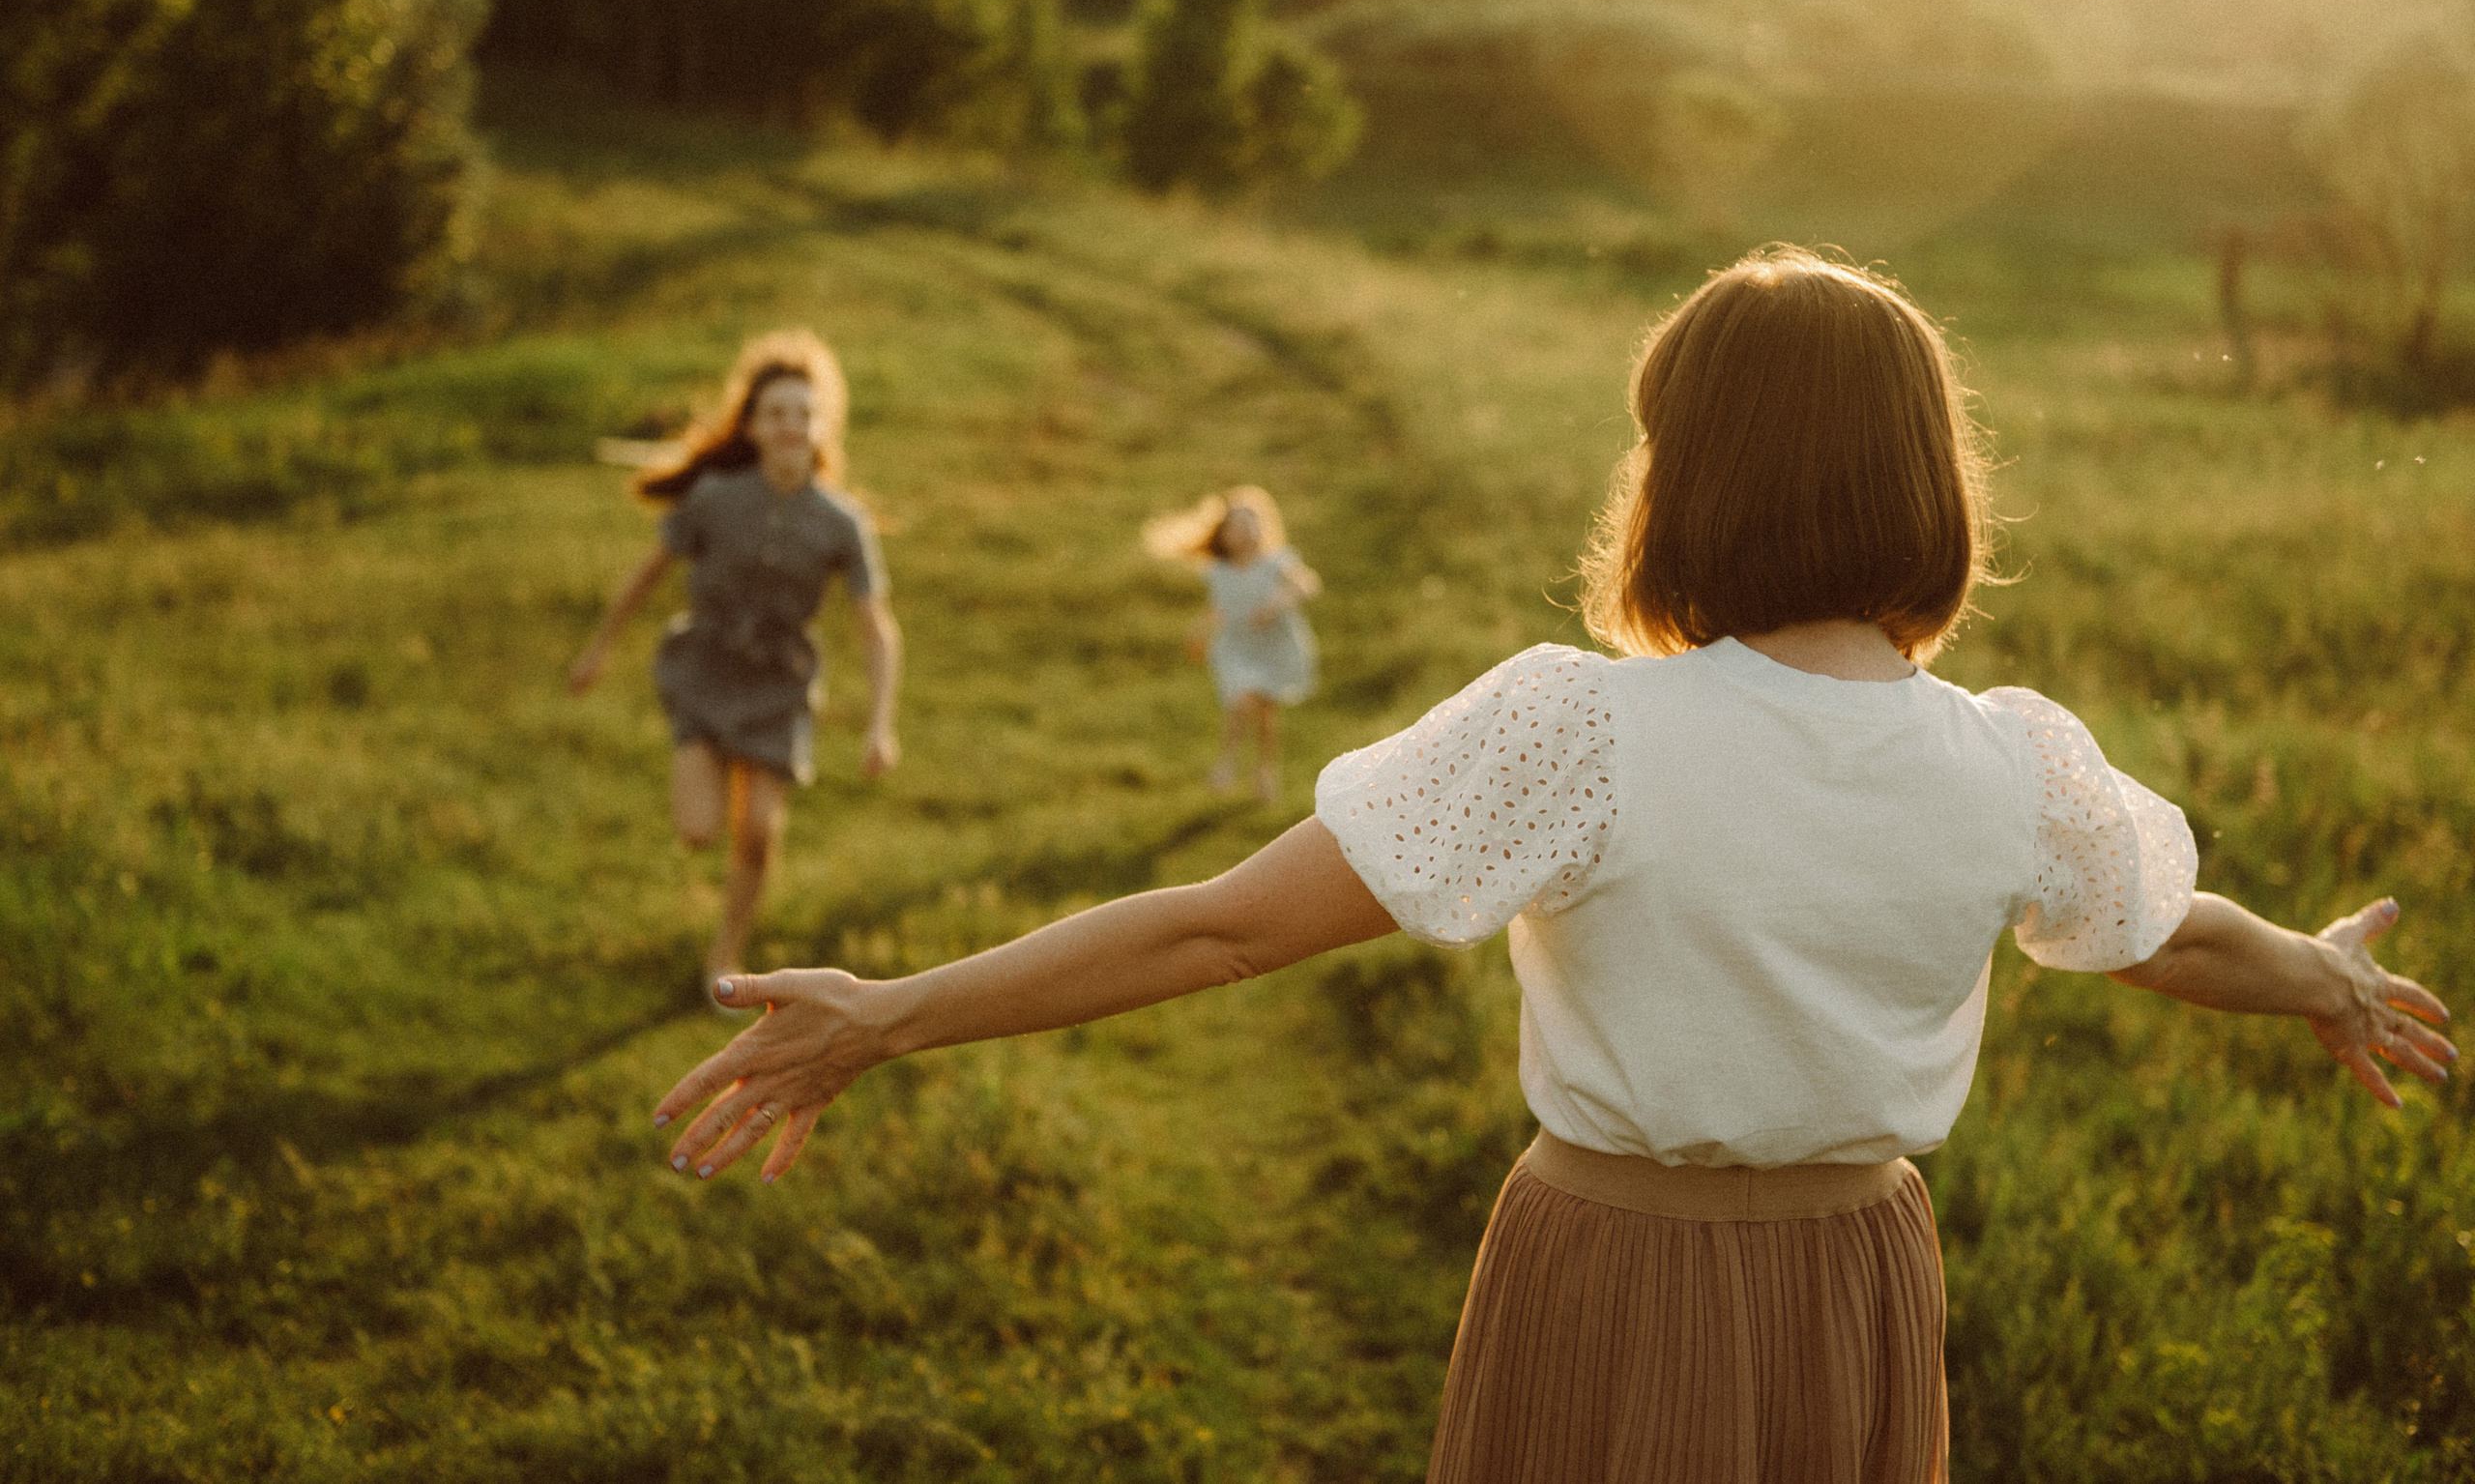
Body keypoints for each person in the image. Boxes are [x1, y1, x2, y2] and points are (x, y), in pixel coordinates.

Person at [652, 251, 2452, 1480]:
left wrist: (889, 1014)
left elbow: (1216, 933)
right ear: (1926, 483)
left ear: (1689, 484)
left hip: (1613, 1267)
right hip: (1862, 1291)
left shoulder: (1583, 731)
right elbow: (2162, 935)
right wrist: (2324, 973)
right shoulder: (2008, 761)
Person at [568, 330, 900, 995]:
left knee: (756, 830)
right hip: (704, 670)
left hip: (779, 684)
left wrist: (880, 723)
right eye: (776, 412)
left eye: (803, 413)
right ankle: (704, 767)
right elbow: (648, 573)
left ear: (822, 426)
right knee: (698, 831)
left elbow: (876, 628)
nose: (790, 425)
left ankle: (725, 955)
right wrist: (600, 645)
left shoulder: (842, 523)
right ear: (750, 424)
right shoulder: (715, 498)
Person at [1141, 484, 1323, 801]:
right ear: (1223, 535)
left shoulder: (1276, 562)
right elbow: (1218, 608)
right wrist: (1199, 633)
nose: (1246, 531)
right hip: (1237, 647)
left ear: (1264, 527)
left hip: (1272, 647)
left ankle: (1265, 770)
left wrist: (1278, 602)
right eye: (1237, 526)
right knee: (1239, 701)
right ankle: (1227, 764)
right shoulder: (1220, 572)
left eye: (1252, 522)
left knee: (1264, 712)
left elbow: (1307, 585)